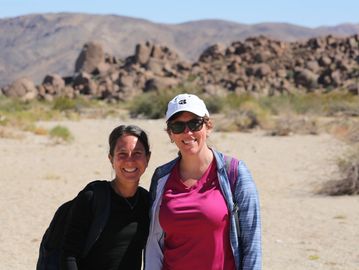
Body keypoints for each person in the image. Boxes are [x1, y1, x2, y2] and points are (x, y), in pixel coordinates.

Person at [144, 93, 261, 270]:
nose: (187, 132)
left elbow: (252, 245)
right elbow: (154, 242)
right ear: (170, 133)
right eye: (177, 126)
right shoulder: (162, 177)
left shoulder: (235, 173)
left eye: (194, 123)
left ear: (208, 127)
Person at [61, 124, 151, 270]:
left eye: (137, 153)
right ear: (111, 159)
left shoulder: (147, 201)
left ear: (147, 158)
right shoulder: (93, 197)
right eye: (122, 154)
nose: (130, 161)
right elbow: (68, 255)